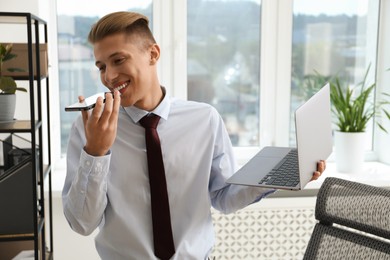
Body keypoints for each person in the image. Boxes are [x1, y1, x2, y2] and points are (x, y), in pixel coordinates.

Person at [62, 11, 325, 260]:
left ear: (152, 54)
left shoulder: (204, 119)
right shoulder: (90, 127)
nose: (109, 76)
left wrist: (284, 174)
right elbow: (82, 223)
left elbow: (223, 197)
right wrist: (95, 152)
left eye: (118, 60)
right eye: (101, 66)